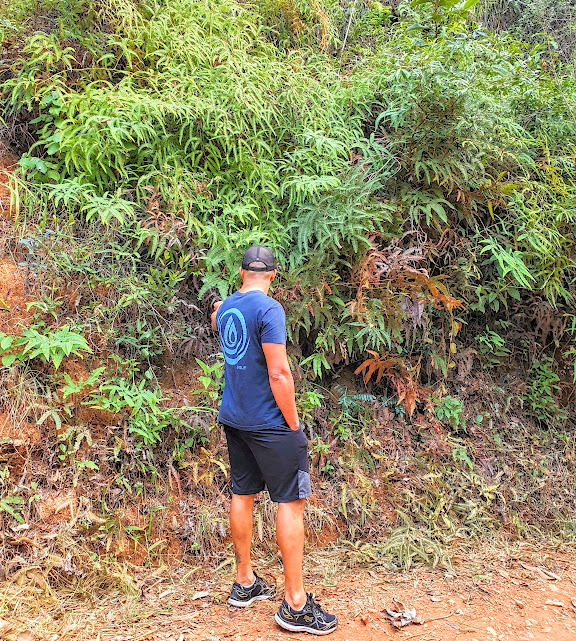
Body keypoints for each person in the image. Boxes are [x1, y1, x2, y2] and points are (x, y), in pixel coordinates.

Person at [211, 245, 338, 635]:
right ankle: (295, 604)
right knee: (291, 502)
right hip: (269, 423)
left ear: (240, 271)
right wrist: (294, 424)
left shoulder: (226, 308)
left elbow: (218, 316)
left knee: (243, 492)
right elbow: (279, 373)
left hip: (234, 418)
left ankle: (245, 583)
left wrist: (219, 308)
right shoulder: (270, 310)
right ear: (273, 275)